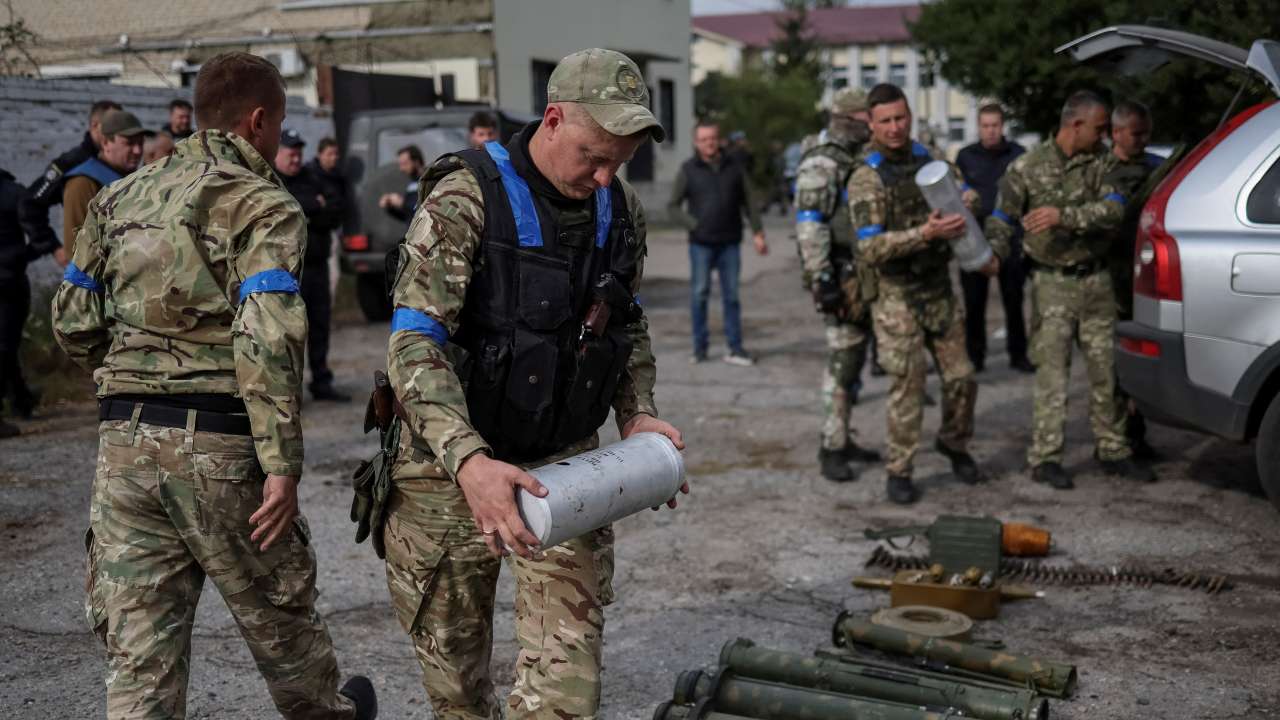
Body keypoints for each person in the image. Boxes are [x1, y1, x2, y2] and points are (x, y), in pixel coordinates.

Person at [49, 51, 376, 720]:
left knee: (140, 659)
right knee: (282, 624)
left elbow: (72, 322)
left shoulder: (118, 196)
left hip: (125, 449)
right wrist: (281, 464)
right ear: (258, 121)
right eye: (279, 127)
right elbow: (268, 337)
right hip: (220, 445)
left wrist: (131, 373)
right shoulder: (265, 206)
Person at [381, 48, 685, 719]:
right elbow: (413, 344)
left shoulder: (618, 209)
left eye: (620, 162)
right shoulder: (464, 200)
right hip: (447, 474)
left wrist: (638, 415)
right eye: (594, 157)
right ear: (552, 120)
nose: (605, 177)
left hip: (561, 468)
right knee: (457, 688)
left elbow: (623, 325)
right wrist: (469, 462)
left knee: (565, 692)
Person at [986, 90, 1155, 489]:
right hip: (1052, 284)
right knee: (1052, 375)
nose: (1103, 136)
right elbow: (1000, 219)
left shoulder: (1104, 164)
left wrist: (1064, 217)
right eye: (1098, 129)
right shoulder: (1025, 168)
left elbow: (1114, 210)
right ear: (1075, 125)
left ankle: (1113, 449)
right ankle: (1046, 457)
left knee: (1107, 373)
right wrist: (992, 254)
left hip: (1097, 282)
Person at [847, 83, 996, 504]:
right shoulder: (866, 177)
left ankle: (954, 442)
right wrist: (925, 233)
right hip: (896, 294)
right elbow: (870, 247)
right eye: (886, 121)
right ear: (871, 125)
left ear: (910, 116)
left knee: (962, 377)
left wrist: (967, 197)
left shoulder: (930, 160)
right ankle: (900, 468)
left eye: (901, 118)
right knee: (908, 384)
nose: (895, 128)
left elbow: (970, 193)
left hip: (937, 288)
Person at [793, 88, 882, 481]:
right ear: (852, 119)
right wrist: (822, 279)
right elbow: (810, 224)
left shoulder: (855, 157)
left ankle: (843, 437)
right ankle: (831, 446)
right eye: (868, 118)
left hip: (863, 274)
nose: (873, 125)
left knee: (856, 362)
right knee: (842, 362)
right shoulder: (823, 162)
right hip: (840, 278)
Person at [668, 120, 768, 365]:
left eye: (712, 138)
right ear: (696, 143)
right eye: (703, 139)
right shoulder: (688, 169)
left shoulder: (735, 166)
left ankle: (735, 348)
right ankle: (699, 348)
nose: (708, 143)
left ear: (719, 139)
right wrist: (693, 224)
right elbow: (672, 207)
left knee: (731, 297)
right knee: (699, 295)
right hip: (700, 244)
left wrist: (758, 232)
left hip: (729, 243)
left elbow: (749, 202)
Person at [1103, 100, 1163, 460]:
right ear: (1116, 133)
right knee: (1110, 364)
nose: (1143, 140)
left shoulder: (1158, 169)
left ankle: (1137, 435)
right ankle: (1114, 437)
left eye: (1146, 133)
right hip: (1108, 279)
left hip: (1143, 278)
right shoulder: (1100, 171)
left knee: (1141, 359)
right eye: (1136, 133)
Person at [956, 104, 1032, 373]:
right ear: (979, 127)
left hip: (1010, 237)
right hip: (974, 238)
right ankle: (975, 357)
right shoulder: (965, 157)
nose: (991, 131)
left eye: (995, 125)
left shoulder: (1018, 155)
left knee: (1014, 300)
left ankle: (1018, 354)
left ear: (1003, 126)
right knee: (974, 303)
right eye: (986, 125)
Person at [275, 128, 349, 402]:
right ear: (279, 153)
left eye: (298, 154)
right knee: (287, 332)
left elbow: (335, 209)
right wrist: (309, 207)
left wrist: (308, 211)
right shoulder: (272, 179)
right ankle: (287, 389)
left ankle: (321, 381)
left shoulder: (312, 177)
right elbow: (281, 214)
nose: (295, 159)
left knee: (319, 326)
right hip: (285, 272)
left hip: (315, 266)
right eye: (290, 154)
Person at [17, 99, 120, 267]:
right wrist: (53, 247)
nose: (118, 129)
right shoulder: (73, 162)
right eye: (112, 124)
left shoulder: (121, 159)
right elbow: (30, 203)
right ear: (95, 125)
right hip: (85, 261)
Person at [0, 168, 54, 438]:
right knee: (6, 347)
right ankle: (20, 400)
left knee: (6, 348)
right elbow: (40, 237)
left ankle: (20, 400)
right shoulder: (16, 193)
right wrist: (19, 258)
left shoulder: (14, 193)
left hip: (9, 284)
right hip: (10, 283)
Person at [60, 109, 145, 263]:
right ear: (106, 142)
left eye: (140, 143)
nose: (138, 150)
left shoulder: (136, 177)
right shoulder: (83, 182)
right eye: (129, 143)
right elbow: (76, 250)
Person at [378, 145, 425, 222]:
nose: (402, 168)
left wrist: (402, 203)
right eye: (400, 164)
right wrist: (390, 207)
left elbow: (427, 209)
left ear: (416, 162)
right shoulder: (412, 184)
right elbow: (408, 216)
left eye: (405, 164)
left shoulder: (429, 181)